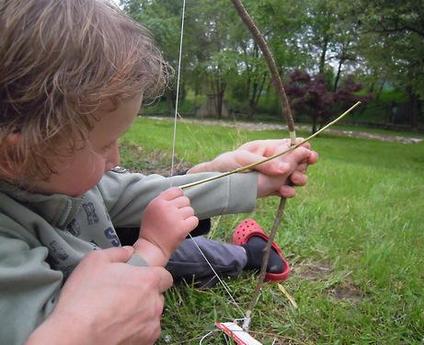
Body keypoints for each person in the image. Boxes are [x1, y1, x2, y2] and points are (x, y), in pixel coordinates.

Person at [0, 1, 318, 345]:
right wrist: (151, 249)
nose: (116, 157)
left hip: (112, 249)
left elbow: (147, 193)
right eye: (105, 144)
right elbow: (91, 322)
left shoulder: (55, 174)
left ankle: (251, 256)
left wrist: (246, 178)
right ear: (16, 153)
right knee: (172, 248)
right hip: (111, 265)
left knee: (184, 248)